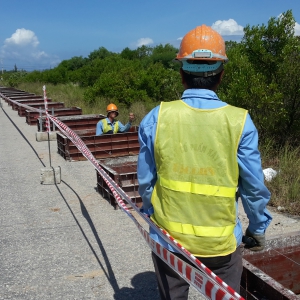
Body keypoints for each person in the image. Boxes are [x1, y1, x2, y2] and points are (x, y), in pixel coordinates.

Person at [137, 25, 272, 300]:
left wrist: (151, 213)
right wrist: (257, 228)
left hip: (170, 241)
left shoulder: (157, 117)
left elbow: (146, 183)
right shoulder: (239, 121)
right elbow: (254, 188)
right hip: (221, 247)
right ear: (220, 75)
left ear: (181, 73)